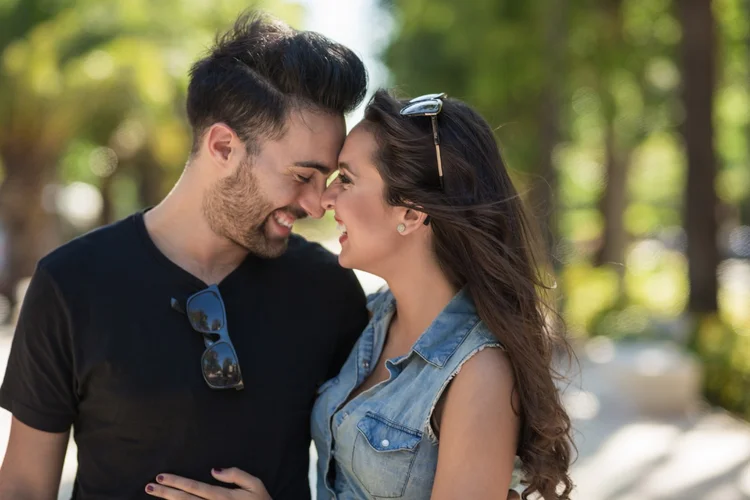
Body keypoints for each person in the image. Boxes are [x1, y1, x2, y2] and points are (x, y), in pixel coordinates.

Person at [0, 12, 370, 500]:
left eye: (327, 181)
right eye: (303, 176)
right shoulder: (69, 283)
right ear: (222, 146)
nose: (317, 203)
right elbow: (25, 486)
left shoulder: (330, 291)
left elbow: (368, 481)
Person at [144, 91, 575, 499]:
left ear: (410, 212)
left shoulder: (478, 373)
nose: (324, 199)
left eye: (345, 179)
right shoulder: (369, 319)